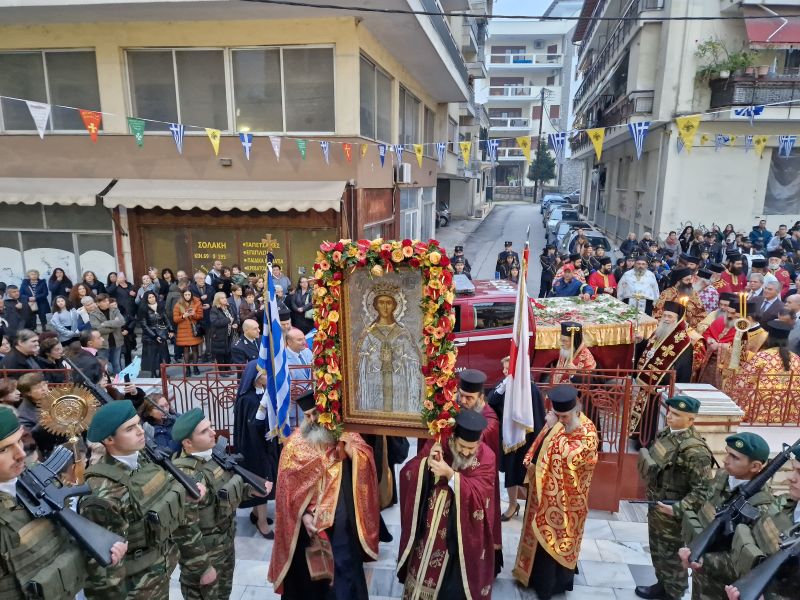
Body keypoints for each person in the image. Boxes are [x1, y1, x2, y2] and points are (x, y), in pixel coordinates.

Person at [79, 399, 213, 599]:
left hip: (160, 571)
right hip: (134, 588)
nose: (141, 431)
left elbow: (165, 506)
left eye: (138, 424)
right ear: (109, 439)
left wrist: (183, 495)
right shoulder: (101, 494)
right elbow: (103, 572)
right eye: (130, 428)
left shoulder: (144, 460)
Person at [0, 406, 128, 599]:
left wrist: (100, 552)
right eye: (3, 449)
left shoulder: (31, 480)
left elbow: (61, 549)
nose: (20, 454)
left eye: (19, 441)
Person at [268, 392, 380, 598]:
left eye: (315, 415)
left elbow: (367, 460)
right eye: (307, 416)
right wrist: (303, 515)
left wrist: (352, 452)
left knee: (343, 579)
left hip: (341, 532)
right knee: (310, 585)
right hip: (305, 533)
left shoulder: (346, 438)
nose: (311, 421)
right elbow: (286, 494)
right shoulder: (294, 446)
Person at [171, 408, 271, 599]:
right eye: (204, 431)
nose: (213, 433)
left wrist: (252, 490)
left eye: (211, 427)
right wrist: (202, 567)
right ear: (187, 442)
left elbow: (227, 490)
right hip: (204, 556)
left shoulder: (213, 457)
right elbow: (184, 531)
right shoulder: (183, 477)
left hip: (225, 546)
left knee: (223, 594)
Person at [398, 410, 497, 599]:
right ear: (453, 437)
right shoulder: (440, 443)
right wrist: (428, 463)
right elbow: (408, 472)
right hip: (431, 524)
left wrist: (451, 475)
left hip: (462, 534)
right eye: (462, 446)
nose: (466, 452)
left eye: (471, 447)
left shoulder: (487, 457)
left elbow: (480, 493)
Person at [512, 384, 598, 599]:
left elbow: (571, 459)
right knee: (537, 536)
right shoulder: (557, 423)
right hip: (542, 495)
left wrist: (552, 429)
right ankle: (531, 575)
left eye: (564, 417)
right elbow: (540, 448)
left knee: (559, 537)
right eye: (557, 415)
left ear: (576, 411)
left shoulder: (588, 432)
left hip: (567, 502)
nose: (560, 420)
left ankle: (552, 584)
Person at [677, 432, 774, 600]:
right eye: (727, 453)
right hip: (701, 574)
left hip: (726, 587)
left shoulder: (761, 505)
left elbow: (747, 560)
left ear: (755, 466)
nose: (725, 460)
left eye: (734, 457)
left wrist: (703, 560)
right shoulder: (723, 475)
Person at [636, 396, 714, 600]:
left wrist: (678, 509)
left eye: (677, 414)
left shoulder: (696, 451)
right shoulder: (667, 435)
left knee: (673, 558)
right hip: (657, 508)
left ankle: (674, 593)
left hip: (674, 515)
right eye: (669, 411)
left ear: (691, 419)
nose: (669, 416)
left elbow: (702, 491)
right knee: (658, 551)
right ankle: (661, 585)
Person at [725, 447, 800, 600]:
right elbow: (750, 551)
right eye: (793, 470)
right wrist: (702, 560)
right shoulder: (782, 503)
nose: (791, 478)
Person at [486, 356, 546, 522]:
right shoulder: (506, 384)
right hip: (510, 438)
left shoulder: (531, 389)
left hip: (528, 439)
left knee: (525, 476)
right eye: (504, 369)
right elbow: (491, 401)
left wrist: (536, 444)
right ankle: (513, 505)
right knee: (510, 475)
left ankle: (531, 508)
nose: (505, 372)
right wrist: (503, 386)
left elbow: (539, 418)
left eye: (508, 369)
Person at [456, 369, 502, 571]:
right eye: (461, 395)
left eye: (469, 398)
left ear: (481, 397)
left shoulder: (490, 422)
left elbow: (474, 442)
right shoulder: (459, 409)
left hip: (481, 485)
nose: (464, 401)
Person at [356, 286, 422, 413]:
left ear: (395, 306)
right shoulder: (368, 333)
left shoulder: (403, 332)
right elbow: (360, 361)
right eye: (381, 303)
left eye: (389, 303)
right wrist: (374, 358)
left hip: (398, 384)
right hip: (375, 384)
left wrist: (399, 358)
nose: (385, 307)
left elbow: (415, 360)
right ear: (375, 306)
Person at [234, 360, 278, 538]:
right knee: (260, 483)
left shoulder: (263, 394)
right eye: (265, 375)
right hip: (254, 447)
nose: (269, 377)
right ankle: (261, 522)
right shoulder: (248, 399)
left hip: (264, 445)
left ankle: (255, 513)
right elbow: (252, 425)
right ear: (257, 378)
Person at [729, 319, 800, 424]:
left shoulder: (761, 357)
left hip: (761, 413)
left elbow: (742, 383)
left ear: (769, 338)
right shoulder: (796, 359)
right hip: (790, 415)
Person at [138, 291, 172, 378]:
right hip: (150, 337)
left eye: (153, 297)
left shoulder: (160, 306)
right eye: (149, 297)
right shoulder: (143, 309)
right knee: (152, 357)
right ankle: (153, 374)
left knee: (162, 356)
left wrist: (171, 330)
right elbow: (144, 325)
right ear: (146, 299)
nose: (152, 299)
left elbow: (166, 319)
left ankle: (162, 374)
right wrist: (154, 336)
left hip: (161, 334)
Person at [89, 293, 125, 374]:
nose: (107, 302)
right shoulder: (93, 314)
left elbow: (122, 321)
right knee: (104, 365)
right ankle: (107, 383)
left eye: (107, 300)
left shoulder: (115, 310)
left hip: (116, 341)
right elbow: (98, 329)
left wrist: (105, 324)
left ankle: (118, 383)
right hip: (102, 343)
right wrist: (114, 325)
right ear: (98, 303)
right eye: (104, 301)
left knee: (116, 364)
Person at [174, 288, 203, 375]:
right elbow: (175, 319)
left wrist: (193, 314)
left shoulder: (197, 303)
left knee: (195, 349)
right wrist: (183, 316)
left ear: (191, 295)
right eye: (185, 295)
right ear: (183, 295)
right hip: (183, 330)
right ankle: (187, 369)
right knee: (185, 350)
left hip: (193, 330)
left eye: (189, 295)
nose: (187, 296)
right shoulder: (178, 304)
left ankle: (195, 367)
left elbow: (200, 316)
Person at [209, 292, 236, 367]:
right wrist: (228, 320)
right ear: (218, 300)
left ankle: (227, 368)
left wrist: (235, 323)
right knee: (220, 354)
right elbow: (215, 322)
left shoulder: (228, 307)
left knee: (228, 352)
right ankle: (221, 370)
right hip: (219, 336)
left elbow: (233, 318)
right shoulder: (214, 309)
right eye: (222, 298)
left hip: (229, 334)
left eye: (225, 297)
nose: (225, 299)